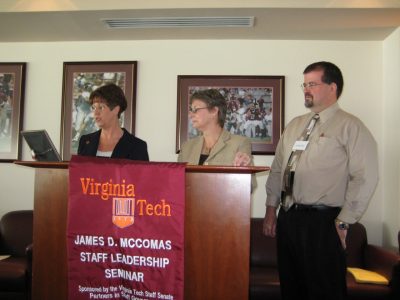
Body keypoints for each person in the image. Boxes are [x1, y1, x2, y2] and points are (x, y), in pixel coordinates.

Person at [263, 61, 378, 300]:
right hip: (289, 218)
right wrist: (271, 209)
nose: (306, 89)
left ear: (332, 87)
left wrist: (344, 222)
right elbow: (277, 170)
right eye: (304, 84)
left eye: (312, 84)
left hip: (324, 223)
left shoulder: (351, 126)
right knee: (291, 288)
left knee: (324, 290)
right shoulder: (294, 125)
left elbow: (365, 177)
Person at [178, 89, 252, 166]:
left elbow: (247, 177)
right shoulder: (186, 147)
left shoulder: (239, 144)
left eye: (195, 109)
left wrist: (244, 166)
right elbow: (177, 177)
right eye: (191, 110)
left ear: (214, 111)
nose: (190, 115)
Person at [78, 83, 149, 161]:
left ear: (116, 110)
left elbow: (141, 173)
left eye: (101, 107)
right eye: (94, 108)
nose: (95, 113)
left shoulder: (137, 146)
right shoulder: (85, 141)